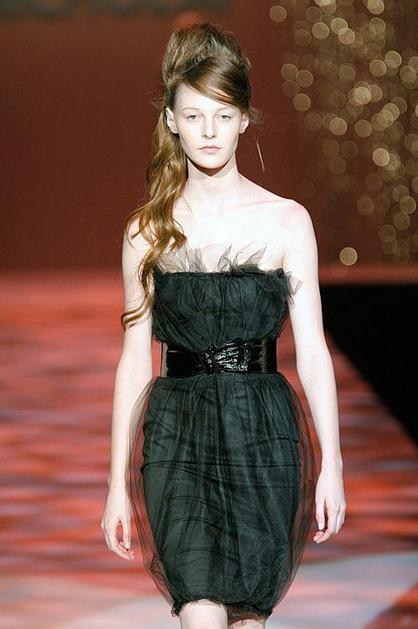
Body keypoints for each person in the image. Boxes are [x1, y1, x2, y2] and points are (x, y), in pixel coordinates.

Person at [101, 21, 346, 629]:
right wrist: (114, 484)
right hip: (176, 437)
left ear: (243, 120)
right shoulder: (146, 232)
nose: (208, 131)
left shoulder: (286, 222)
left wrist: (334, 464)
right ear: (171, 121)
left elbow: (312, 350)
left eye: (223, 115)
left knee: (247, 619)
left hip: (261, 436)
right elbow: (134, 358)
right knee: (199, 610)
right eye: (194, 116)